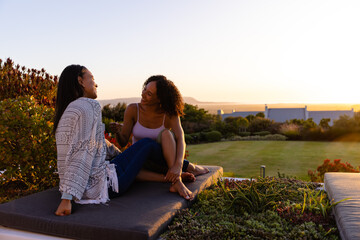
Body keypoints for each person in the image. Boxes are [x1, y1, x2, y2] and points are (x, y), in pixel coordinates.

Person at [53, 65, 167, 216]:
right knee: (147, 144)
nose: (96, 84)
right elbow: (82, 151)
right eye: (92, 79)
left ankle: (176, 173)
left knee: (140, 152)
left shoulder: (68, 111)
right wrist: (67, 198)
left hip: (87, 185)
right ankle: (181, 169)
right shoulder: (89, 105)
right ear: (80, 81)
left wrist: (123, 156)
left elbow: (95, 144)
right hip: (104, 185)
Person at [110, 75, 209, 200]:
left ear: (160, 99)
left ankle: (179, 177)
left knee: (166, 134)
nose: (143, 94)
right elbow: (123, 142)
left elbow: (180, 138)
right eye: (144, 90)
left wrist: (177, 165)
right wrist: (118, 132)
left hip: (163, 159)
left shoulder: (169, 113)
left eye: (149, 94)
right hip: (142, 161)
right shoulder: (133, 109)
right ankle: (176, 177)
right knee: (133, 173)